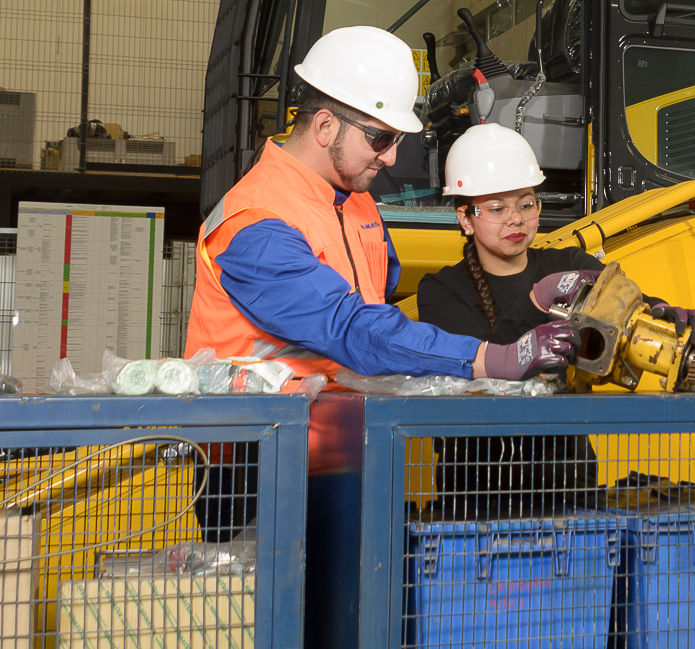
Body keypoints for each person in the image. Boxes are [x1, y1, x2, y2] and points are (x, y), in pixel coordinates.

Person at [185, 27, 578, 533]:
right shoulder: (254, 223)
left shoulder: (358, 202)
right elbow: (349, 326)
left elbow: (381, 299)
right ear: (325, 126)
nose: (391, 157)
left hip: (345, 450)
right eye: (381, 138)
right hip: (259, 463)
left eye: (396, 141)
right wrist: (487, 357)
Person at [417, 122, 695, 516]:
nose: (516, 219)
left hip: (568, 476)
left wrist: (664, 313)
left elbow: (623, 302)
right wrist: (538, 301)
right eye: (497, 208)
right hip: (477, 485)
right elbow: (479, 363)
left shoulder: (569, 263)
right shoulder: (440, 289)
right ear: (466, 219)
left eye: (526, 203)